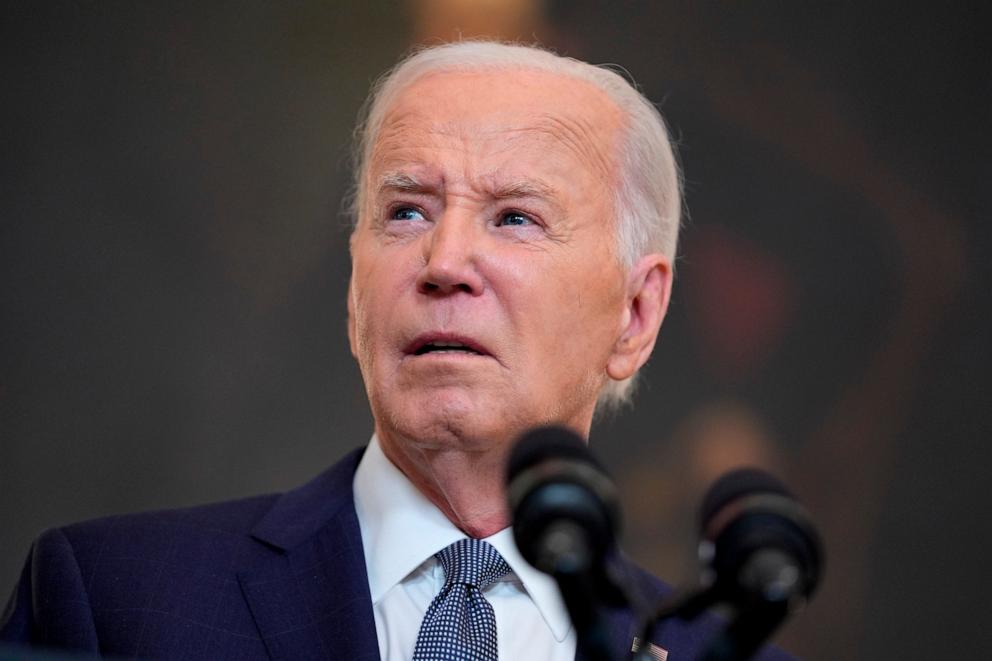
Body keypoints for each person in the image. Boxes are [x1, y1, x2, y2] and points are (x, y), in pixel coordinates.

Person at [1, 41, 791, 660]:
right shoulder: (112, 599)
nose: (443, 263)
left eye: (515, 217)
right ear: (354, 291)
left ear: (636, 313)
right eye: (407, 212)